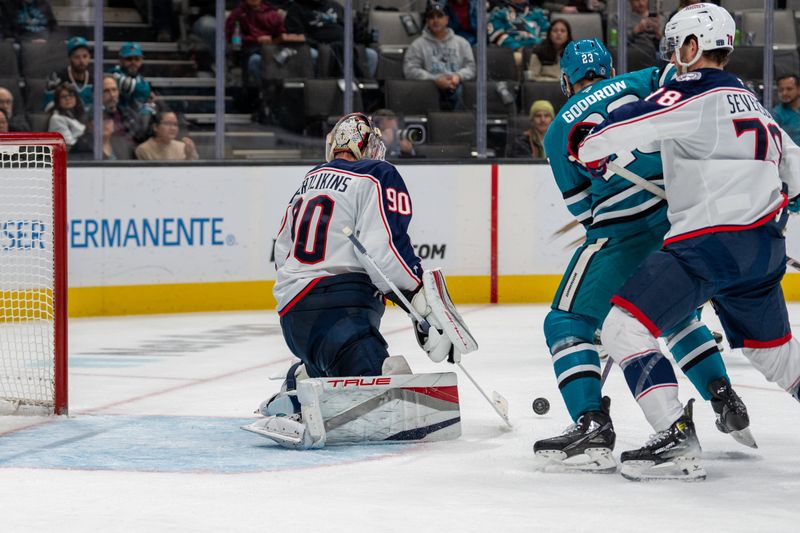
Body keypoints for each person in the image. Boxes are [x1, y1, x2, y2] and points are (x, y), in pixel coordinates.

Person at [577, 4, 800, 481]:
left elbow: (621, 128)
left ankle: (673, 433)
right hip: (762, 247)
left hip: (708, 244)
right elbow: (795, 175)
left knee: (621, 328)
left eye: (677, 46)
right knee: (774, 354)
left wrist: (590, 144)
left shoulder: (694, 89)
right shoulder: (753, 102)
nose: (673, 58)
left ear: (694, 45)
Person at [533, 37, 753, 477]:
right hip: (678, 221)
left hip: (621, 231)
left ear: (566, 80)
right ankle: (721, 392)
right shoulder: (647, 78)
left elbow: (584, 211)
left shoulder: (559, 129)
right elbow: (695, 90)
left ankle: (591, 423)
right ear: (610, 69)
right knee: (672, 315)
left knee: (566, 322)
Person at [245, 113, 475, 449]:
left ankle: (304, 378)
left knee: (337, 364)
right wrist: (418, 299)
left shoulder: (309, 181)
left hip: (294, 316)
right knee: (391, 379)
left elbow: (283, 252)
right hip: (343, 315)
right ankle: (310, 388)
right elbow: (385, 252)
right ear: (361, 143)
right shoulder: (377, 174)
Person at [404, 2, 476, 111]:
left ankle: (458, 124)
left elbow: (471, 67)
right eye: (432, 17)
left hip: (455, 86)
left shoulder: (462, 43)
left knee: (465, 91)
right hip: (430, 87)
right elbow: (410, 70)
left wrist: (458, 76)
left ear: (446, 19)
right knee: (425, 90)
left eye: (439, 16)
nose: (436, 20)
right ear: (427, 22)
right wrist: (435, 79)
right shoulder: (417, 45)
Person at [284, 0, 378, 79]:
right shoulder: (296, 9)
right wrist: (322, 46)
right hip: (317, 47)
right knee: (312, 55)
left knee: (371, 55)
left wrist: (366, 36)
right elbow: (298, 36)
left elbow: (354, 30)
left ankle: (361, 92)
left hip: (343, 46)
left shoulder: (335, 6)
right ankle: (320, 91)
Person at [44, 36, 93, 111]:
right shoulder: (57, 78)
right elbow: (48, 107)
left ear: (89, 57)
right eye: (77, 57)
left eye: (85, 56)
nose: (81, 61)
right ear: (69, 59)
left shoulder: (95, 79)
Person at [135, 111, 199, 161]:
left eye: (175, 124)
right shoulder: (144, 149)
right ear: (155, 127)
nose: (173, 128)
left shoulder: (182, 147)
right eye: (168, 123)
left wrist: (190, 154)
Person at [108, 42, 153, 112]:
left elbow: (145, 93)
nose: (133, 62)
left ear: (141, 60)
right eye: (129, 59)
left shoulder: (140, 78)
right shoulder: (113, 73)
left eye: (137, 59)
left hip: (132, 118)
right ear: (120, 60)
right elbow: (143, 91)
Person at [47, 83, 87, 150]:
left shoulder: (78, 115)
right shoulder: (56, 119)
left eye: (71, 95)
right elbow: (68, 145)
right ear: (58, 101)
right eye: (63, 96)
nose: (68, 98)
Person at [773, 74, 800, 145]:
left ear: (798, 89)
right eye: (781, 90)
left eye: (789, 89)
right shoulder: (775, 115)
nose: (784, 93)